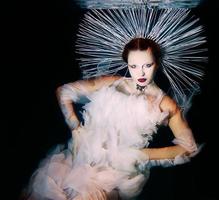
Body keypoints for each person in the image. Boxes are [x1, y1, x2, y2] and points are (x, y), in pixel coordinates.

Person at [23, 37, 200, 200]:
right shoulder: (113, 83)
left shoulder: (166, 104)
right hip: (79, 160)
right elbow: (64, 92)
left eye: (147, 65)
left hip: (115, 174)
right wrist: (75, 128)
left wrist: (143, 155)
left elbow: (188, 148)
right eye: (134, 66)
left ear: (157, 63)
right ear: (127, 64)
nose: (141, 73)